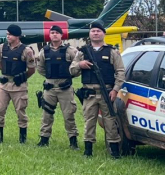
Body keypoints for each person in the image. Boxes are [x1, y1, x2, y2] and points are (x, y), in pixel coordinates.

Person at [70, 21, 126, 158]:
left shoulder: (112, 52)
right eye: (93, 31)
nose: (95, 33)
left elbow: (120, 72)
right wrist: (80, 64)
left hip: (107, 92)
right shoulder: (82, 52)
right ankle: (88, 151)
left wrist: (115, 90)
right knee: (89, 121)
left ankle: (114, 151)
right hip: (89, 93)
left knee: (110, 122)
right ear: (89, 34)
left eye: (98, 31)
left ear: (103, 33)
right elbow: (71, 70)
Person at [35, 24, 80, 149]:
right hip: (50, 87)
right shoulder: (44, 51)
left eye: (57, 32)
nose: (54, 34)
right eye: (52, 32)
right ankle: (44, 139)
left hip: (65, 88)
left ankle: (73, 141)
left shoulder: (70, 50)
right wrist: (50, 78)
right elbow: (40, 68)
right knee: (46, 114)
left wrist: (68, 78)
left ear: (61, 35)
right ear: (49, 35)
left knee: (69, 114)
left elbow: (76, 68)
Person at [0, 24, 36, 144]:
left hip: (19, 86)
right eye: (7, 34)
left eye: (10, 34)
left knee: (20, 111)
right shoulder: (2, 47)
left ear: (17, 36)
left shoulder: (26, 50)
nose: (8, 36)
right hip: (4, 84)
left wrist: (22, 78)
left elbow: (32, 69)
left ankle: (22, 138)